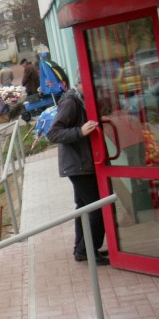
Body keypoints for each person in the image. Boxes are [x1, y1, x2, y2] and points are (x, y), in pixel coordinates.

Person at [46, 78, 110, 265]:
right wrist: (80, 132)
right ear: (81, 83)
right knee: (96, 209)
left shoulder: (80, 100)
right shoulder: (70, 102)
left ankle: (82, 249)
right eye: (92, 85)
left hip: (82, 164)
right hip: (78, 166)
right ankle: (87, 251)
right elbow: (53, 133)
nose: (96, 89)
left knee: (84, 208)